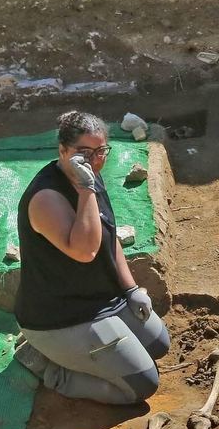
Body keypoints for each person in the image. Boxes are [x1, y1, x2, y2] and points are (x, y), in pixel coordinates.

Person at [12, 111, 170, 405]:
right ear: (62, 150)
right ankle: (46, 364)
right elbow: (85, 251)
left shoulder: (89, 177)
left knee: (159, 345)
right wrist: (87, 189)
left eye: (100, 151)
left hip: (103, 299)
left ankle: (92, 352)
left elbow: (109, 239)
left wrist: (131, 289)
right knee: (140, 387)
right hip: (63, 316)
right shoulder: (46, 197)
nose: (94, 160)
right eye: (83, 153)